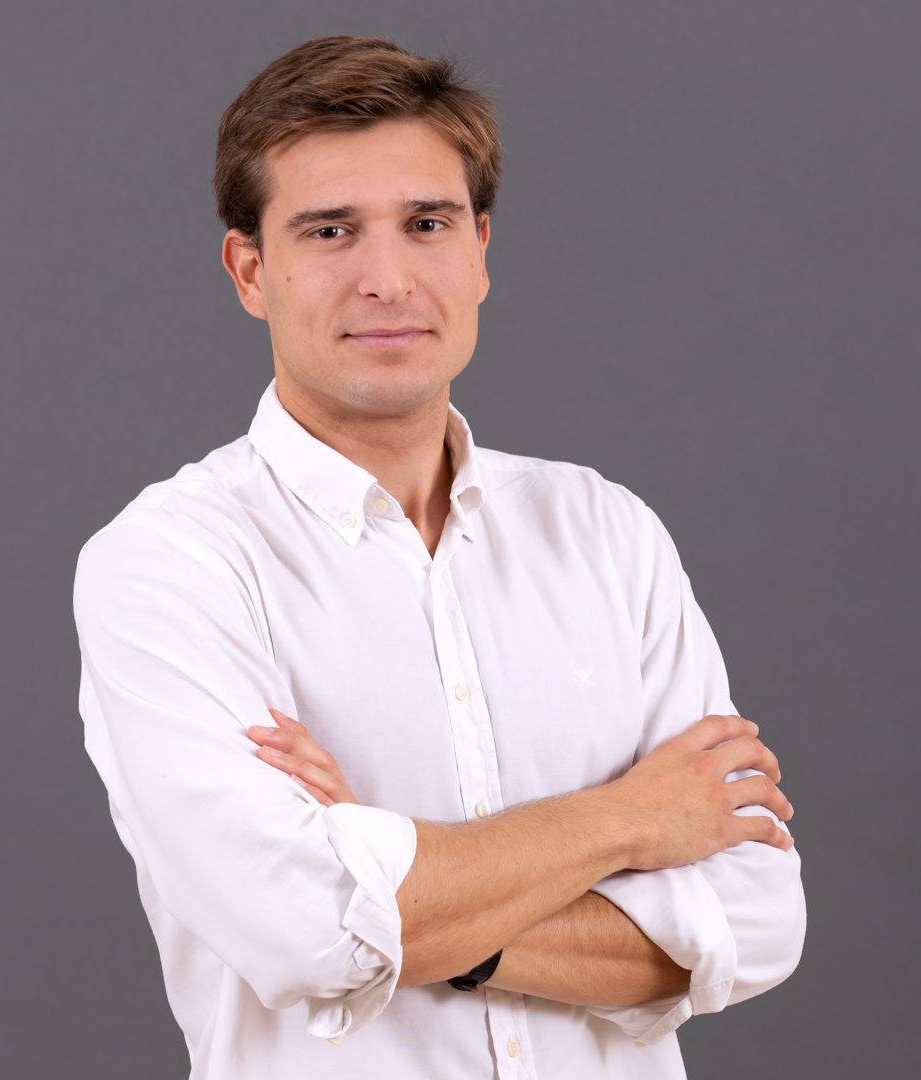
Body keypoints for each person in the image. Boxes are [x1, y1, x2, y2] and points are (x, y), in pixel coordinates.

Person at [73, 35, 805, 1080]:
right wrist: (630, 821)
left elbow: (760, 924)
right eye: (330, 231)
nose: (388, 280)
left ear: (480, 251)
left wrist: (391, 874)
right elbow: (303, 930)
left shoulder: (606, 532)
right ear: (250, 272)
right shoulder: (171, 563)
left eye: (427, 224)